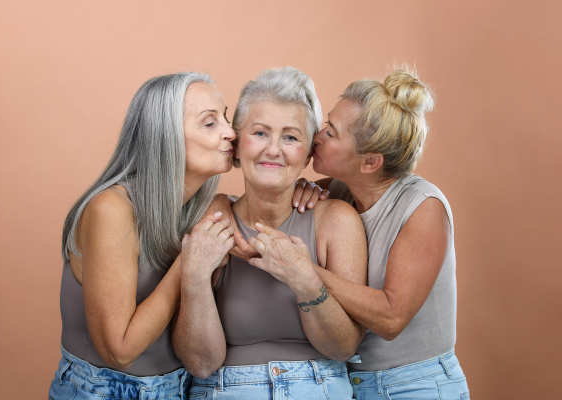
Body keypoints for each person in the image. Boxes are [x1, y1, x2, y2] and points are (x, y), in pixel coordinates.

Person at [173, 67, 368, 399]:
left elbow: (343, 348)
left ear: (309, 153)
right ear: (236, 145)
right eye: (260, 133)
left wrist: (303, 278)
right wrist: (193, 275)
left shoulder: (336, 220)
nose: (273, 150)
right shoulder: (210, 220)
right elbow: (200, 363)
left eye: (290, 137)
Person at [279, 67, 469, 399]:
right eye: (325, 125)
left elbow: (391, 317)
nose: (317, 137)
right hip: (350, 383)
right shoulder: (336, 191)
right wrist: (302, 187)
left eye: (332, 133)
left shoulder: (423, 206)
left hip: (418, 385)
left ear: (370, 162)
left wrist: (304, 270)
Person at [48, 72, 237, 400]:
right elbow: (119, 350)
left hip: (179, 388)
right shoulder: (112, 209)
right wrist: (189, 261)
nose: (230, 132)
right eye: (210, 123)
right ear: (164, 137)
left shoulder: (195, 210)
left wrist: (310, 189)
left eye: (226, 117)